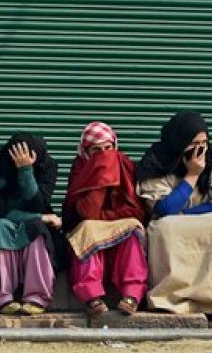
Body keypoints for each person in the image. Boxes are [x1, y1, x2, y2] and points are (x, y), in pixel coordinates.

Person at [136, 111, 212, 323]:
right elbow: (165, 208)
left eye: (204, 142)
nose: (200, 150)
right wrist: (192, 175)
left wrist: (186, 214)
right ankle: (170, 300)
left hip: (206, 217)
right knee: (165, 227)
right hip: (170, 221)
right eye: (194, 143)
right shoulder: (157, 163)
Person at [63, 122, 149, 317]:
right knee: (88, 229)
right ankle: (91, 296)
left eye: (108, 149)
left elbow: (134, 210)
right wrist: (101, 176)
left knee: (132, 230)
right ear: (86, 152)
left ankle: (132, 294)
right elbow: (85, 212)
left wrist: (105, 218)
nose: (104, 155)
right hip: (88, 226)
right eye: (96, 150)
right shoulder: (80, 169)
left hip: (117, 225)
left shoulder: (124, 164)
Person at [0, 134, 62, 315]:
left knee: (35, 229)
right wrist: (40, 217)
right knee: (1, 226)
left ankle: (37, 297)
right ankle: (3, 296)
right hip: (6, 218)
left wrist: (25, 171)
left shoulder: (47, 166)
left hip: (35, 220)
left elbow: (39, 203)